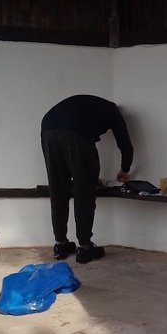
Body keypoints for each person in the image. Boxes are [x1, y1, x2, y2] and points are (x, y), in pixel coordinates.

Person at [40, 94, 133, 264]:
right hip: (75, 133)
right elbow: (124, 142)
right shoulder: (112, 110)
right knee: (84, 192)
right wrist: (125, 169)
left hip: (48, 129)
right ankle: (84, 247)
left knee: (58, 189)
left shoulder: (88, 106)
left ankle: (60, 244)